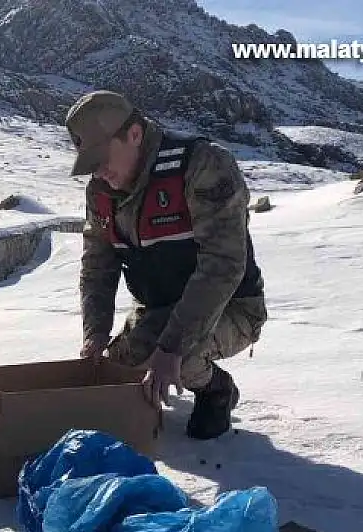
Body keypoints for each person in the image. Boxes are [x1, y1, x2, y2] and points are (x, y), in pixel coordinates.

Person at [66, 90, 265, 440]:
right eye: (89, 163)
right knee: (115, 370)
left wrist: (171, 347)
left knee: (183, 360)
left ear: (134, 135)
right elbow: (98, 266)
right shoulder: (100, 191)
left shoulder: (202, 166)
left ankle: (216, 390)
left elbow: (222, 266)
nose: (97, 172)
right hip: (157, 308)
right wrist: (95, 336)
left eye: (101, 158)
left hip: (230, 307)